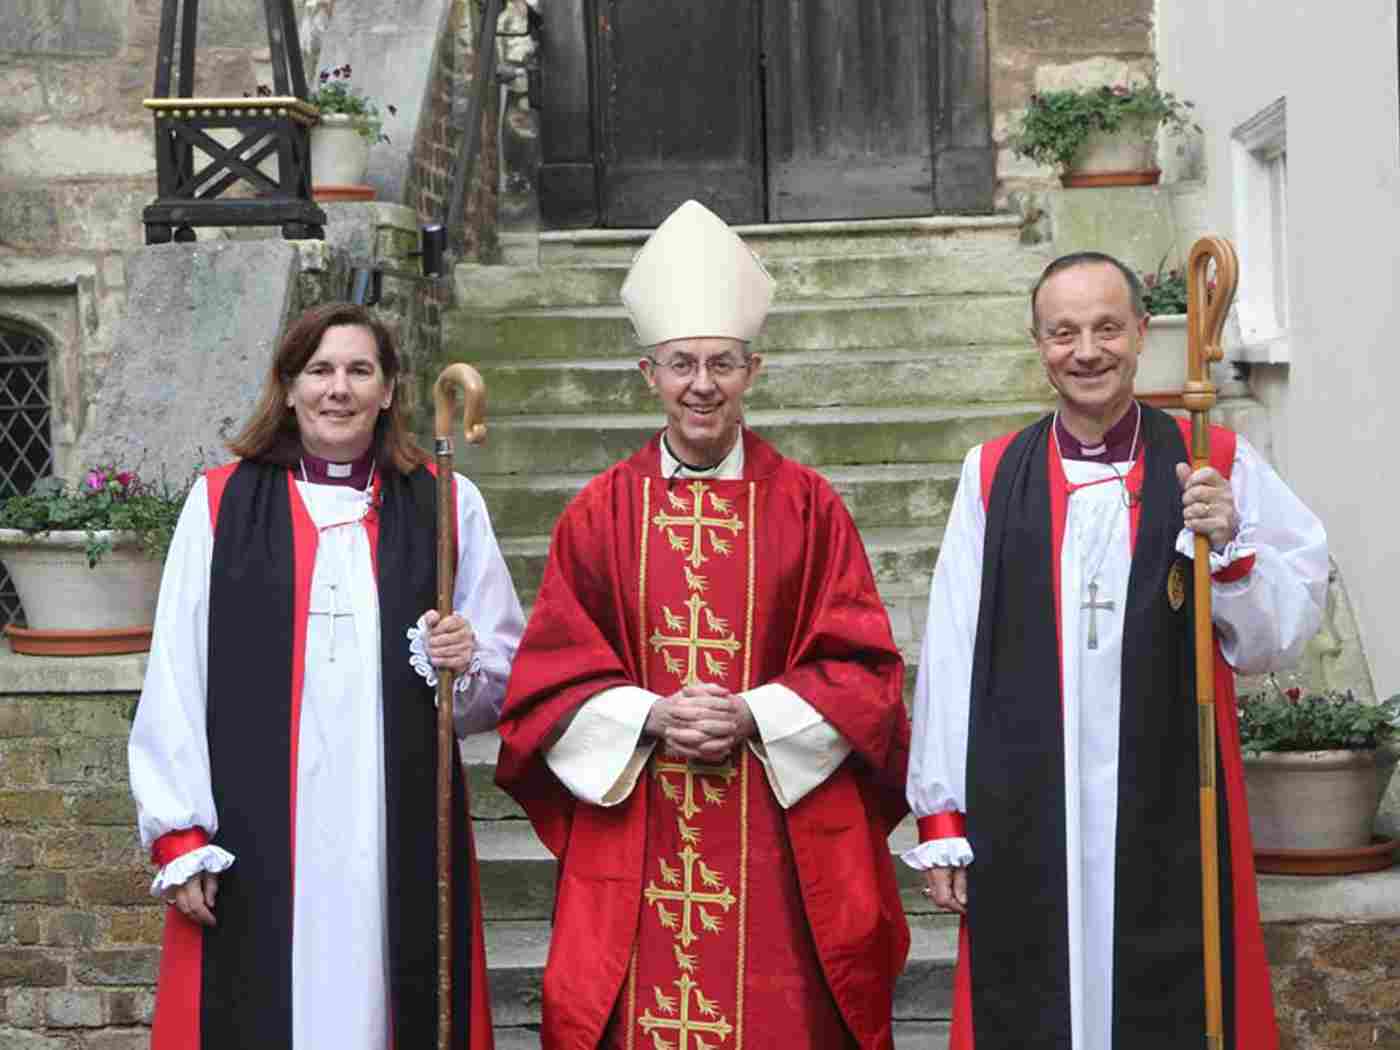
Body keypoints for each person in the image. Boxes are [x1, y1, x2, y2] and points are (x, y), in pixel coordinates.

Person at [496, 200, 910, 1049]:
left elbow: (865, 672)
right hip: (641, 822)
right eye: (681, 364)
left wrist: (752, 713)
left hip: (773, 835)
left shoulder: (808, 506)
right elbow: (547, 678)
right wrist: (650, 714)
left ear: (752, 371)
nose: (702, 385)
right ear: (648, 375)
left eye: (722, 363)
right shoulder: (599, 513)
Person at [904, 251, 1328, 1050]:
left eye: (1106, 328)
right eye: (1063, 332)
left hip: (1167, 804)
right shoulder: (992, 474)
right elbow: (954, 644)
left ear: (1141, 333)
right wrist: (942, 815)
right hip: (1026, 802)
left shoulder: (1216, 464)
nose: (1086, 350)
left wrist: (1230, 546)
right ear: (1038, 344)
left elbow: (1281, 634)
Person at [128, 302, 524, 1050]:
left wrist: (465, 663)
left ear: (387, 390)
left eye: (358, 370)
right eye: (319, 371)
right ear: (286, 387)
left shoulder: (447, 504)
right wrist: (179, 832)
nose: (337, 389)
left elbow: (502, 675)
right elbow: (177, 674)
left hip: (395, 826)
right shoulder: (219, 505)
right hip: (259, 836)